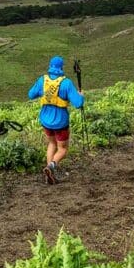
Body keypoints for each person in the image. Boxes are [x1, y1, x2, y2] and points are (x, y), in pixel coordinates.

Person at [28, 56, 84, 184]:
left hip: (45, 120)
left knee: (51, 144)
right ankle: (51, 166)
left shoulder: (43, 80)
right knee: (62, 149)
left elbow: (31, 94)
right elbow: (78, 103)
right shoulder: (66, 83)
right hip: (61, 122)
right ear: (62, 67)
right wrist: (81, 96)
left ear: (50, 66)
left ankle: (49, 172)